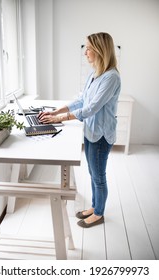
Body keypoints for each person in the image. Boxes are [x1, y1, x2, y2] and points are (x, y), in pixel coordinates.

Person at [38, 32, 121, 228]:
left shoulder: (111, 78)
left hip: (102, 134)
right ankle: (94, 207)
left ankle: (99, 213)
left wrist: (60, 118)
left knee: (98, 176)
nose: (86, 52)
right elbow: (83, 100)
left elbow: (91, 108)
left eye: (89, 48)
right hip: (91, 131)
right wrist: (59, 110)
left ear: (100, 51)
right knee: (93, 173)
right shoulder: (95, 74)